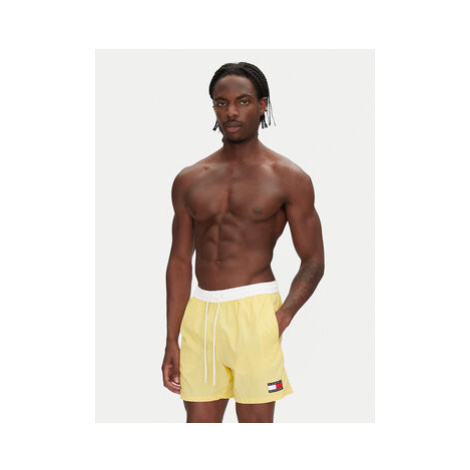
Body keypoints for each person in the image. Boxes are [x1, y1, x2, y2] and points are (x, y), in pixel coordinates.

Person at [162, 62, 325, 423]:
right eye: (221, 103)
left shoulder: (288, 177)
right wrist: (172, 338)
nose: (231, 112)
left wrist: (281, 317)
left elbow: (313, 260)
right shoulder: (190, 179)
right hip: (201, 314)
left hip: (256, 310)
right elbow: (179, 261)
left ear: (263, 105)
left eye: (243, 101)